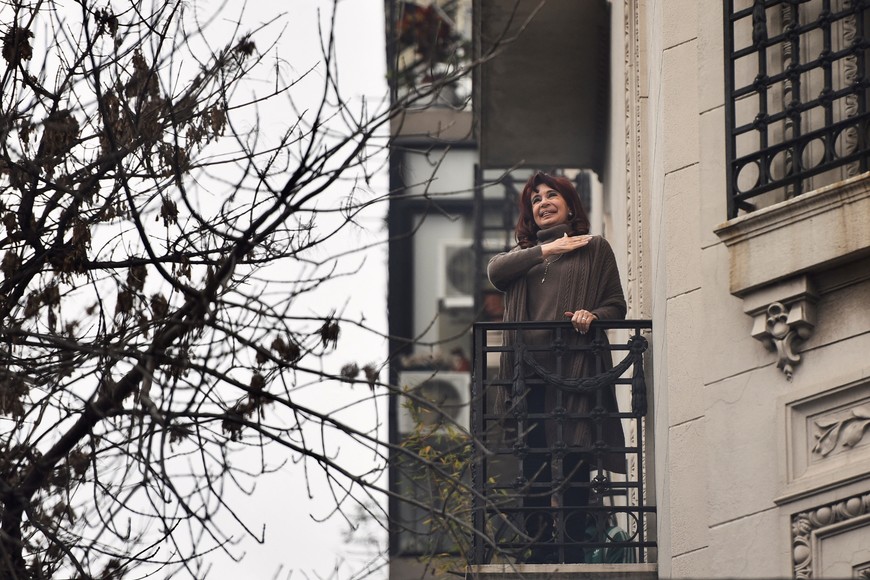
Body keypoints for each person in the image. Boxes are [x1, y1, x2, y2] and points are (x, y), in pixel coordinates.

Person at [487, 171, 627, 564]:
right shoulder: (520, 261)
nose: (544, 202)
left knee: (575, 461)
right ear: (530, 214)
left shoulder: (594, 248)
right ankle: (539, 550)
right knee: (534, 464)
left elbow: (617, 306)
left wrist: (591, 315)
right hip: (527, 376)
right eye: (536, 200)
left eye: (552, 195)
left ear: (569, 203)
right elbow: (494, 272)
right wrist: (545, 251)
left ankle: (574, 551)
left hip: (575, 373)